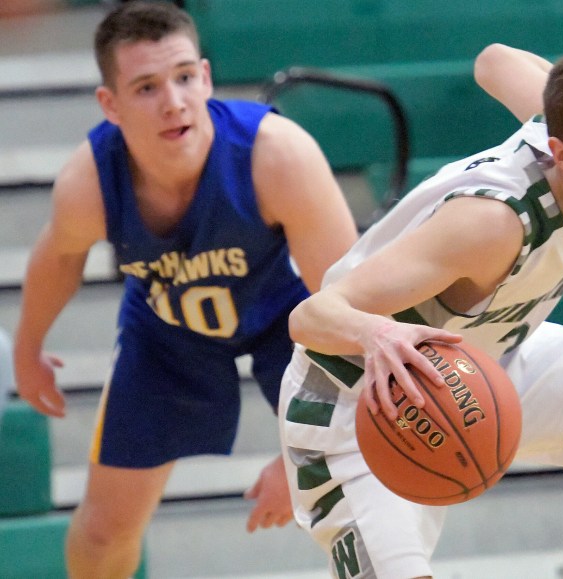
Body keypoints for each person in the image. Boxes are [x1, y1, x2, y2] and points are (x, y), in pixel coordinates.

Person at [278, 42, 563, 579]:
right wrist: (376, 333)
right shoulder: (490, 225)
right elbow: (311, 316)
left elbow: (492, 60)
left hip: (475, 359)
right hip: (361, 405)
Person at [12, 2, 358, 577]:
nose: (173, 101)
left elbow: (349, 309)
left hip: (293, 324)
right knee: (101, 534)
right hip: (169, 332)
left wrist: (304, 455)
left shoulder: (279, 156)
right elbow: (60, 256)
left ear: (206, 77)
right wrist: (27, 350)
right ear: (110, 105)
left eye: (183, 78)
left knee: (359, 498)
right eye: (146, 87)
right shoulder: (89, 182)